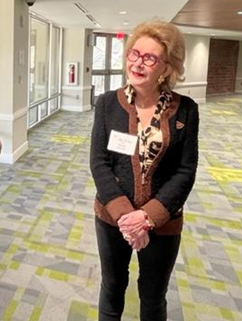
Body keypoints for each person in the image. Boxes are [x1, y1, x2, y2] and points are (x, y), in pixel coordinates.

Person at [90, 20, 199, 321]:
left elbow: (185, 171)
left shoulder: (186, 109)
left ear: (166, 67)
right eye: (134, 54)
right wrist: (128, 219)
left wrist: (147, 218)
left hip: (163, 222)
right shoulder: (107, 103)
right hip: (113, 219)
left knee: (153, 296)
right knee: (112, 287)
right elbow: (99, 163)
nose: (137, 63)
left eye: (149, 58)